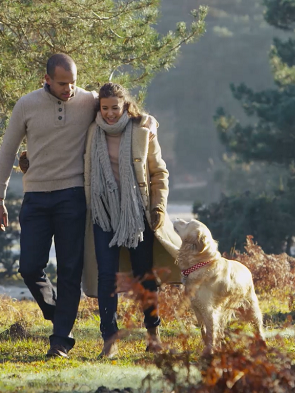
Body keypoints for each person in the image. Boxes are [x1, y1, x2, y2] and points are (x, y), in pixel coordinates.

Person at [0, 54, 97, 358]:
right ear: (47, 79)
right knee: (29, 266)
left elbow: (122, 109)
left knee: (70, 269)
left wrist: (149, 123)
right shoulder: (27, 104)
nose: (69, 89)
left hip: (72, 196)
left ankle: (61, 339)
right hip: (35, 197)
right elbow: (7, 152)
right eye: (63, 83)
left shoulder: (88, 101)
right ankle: (59, 315)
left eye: (73, 82)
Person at [80, 82, 183, 359]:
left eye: (116, 107)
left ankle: (153, 335)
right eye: (105, 108)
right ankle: (109, 340)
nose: (111, 114)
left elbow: (159, 173)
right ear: (98, 108)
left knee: (144, 276)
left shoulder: (142, 130)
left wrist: (158, 206)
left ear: (126, 105)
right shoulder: (91, 132)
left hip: (138, 213)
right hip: (103, 213)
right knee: (106, 276)